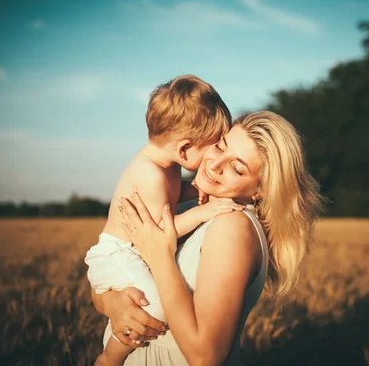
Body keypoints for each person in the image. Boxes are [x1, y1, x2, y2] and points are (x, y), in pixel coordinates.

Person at [92, 111, 323, 365]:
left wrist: (159, 256)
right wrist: (113, 304)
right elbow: (107, 271)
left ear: (260, 191)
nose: (214, 165)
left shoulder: (232, 225)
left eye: (236, 168)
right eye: (219, 146)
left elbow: (206, 357)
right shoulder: (189, 211)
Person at [84, 75, 242, 366]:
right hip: (118, 254)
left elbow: (177, 192)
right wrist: (203, 211)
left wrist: (195, 191)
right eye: (211, 147)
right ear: (184, 149)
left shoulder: (165, 165)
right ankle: (110, 356)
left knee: (145, 302)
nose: (212, 157)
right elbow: (160, 235)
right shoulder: (150, 174)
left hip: (130, 251)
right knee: (154, 306)